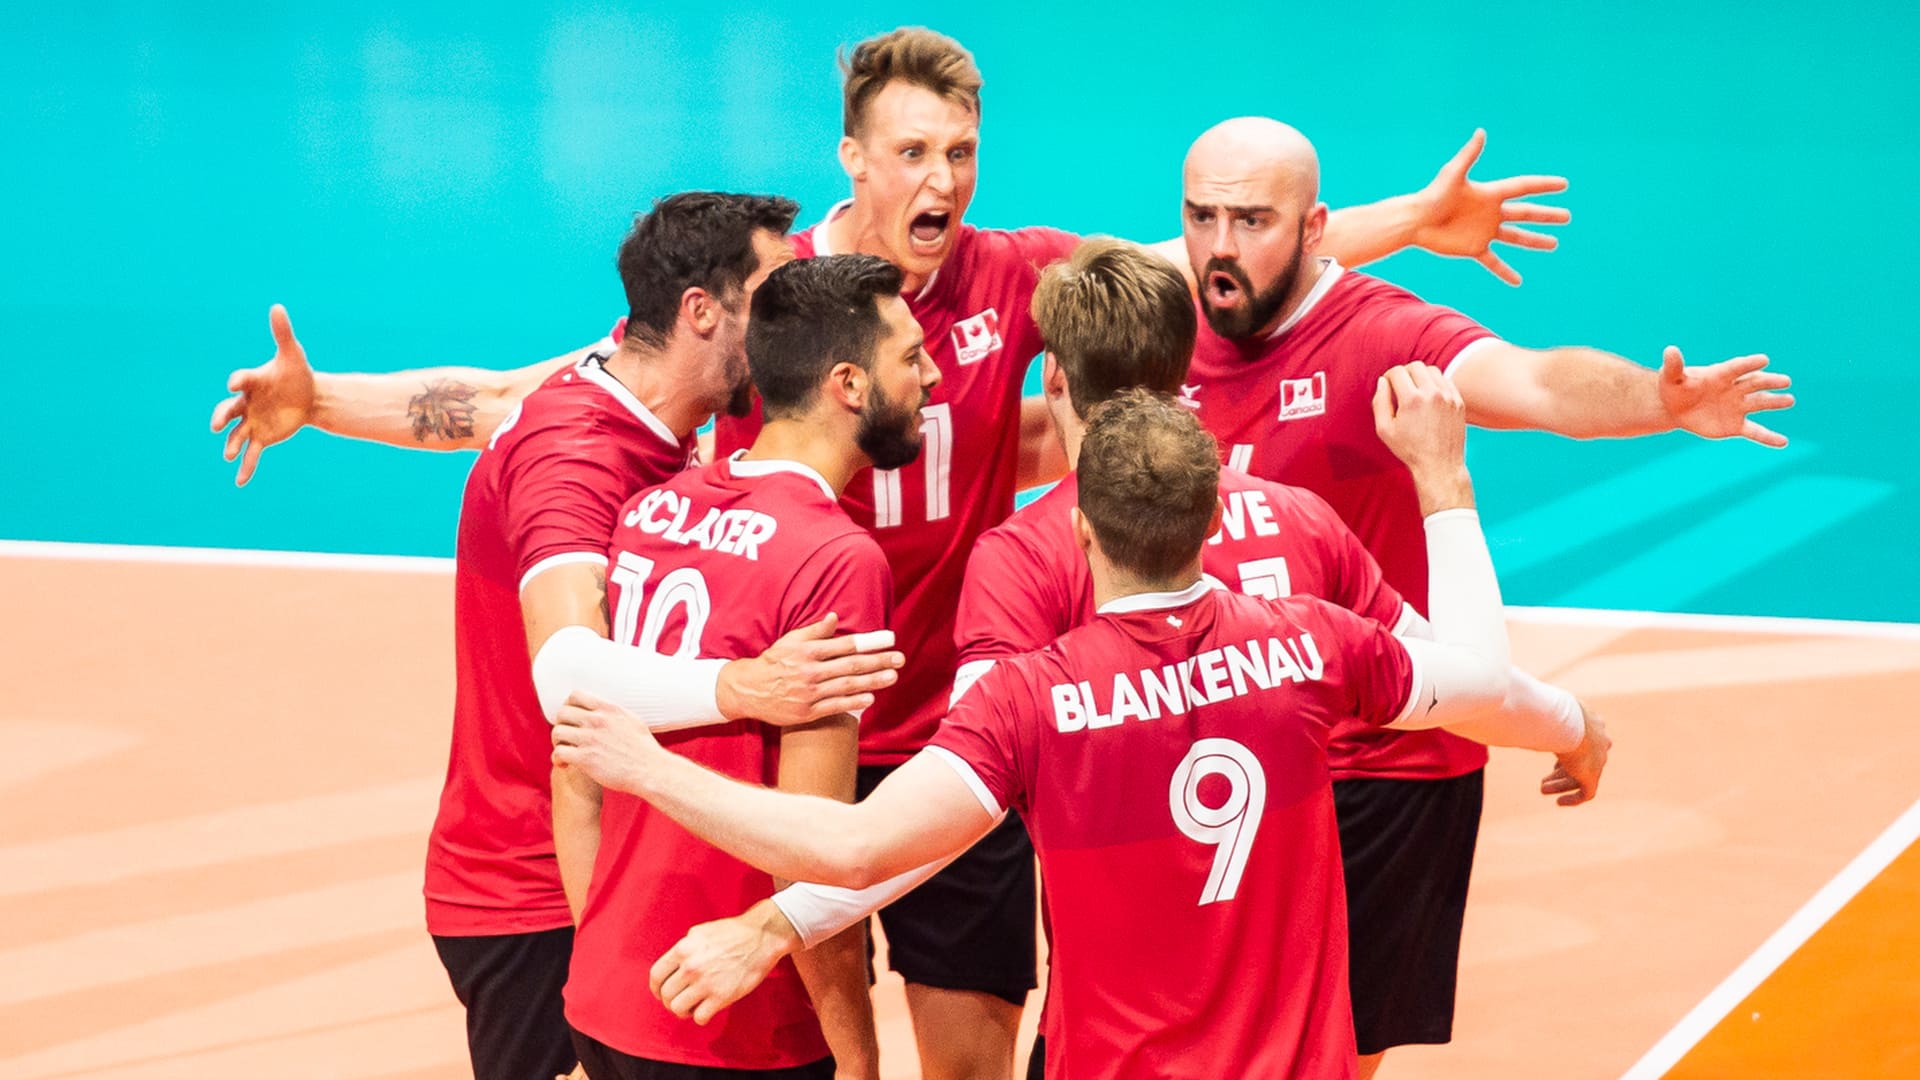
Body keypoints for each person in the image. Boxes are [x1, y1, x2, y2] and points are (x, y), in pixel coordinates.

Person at [210, 31, 1569, 1077]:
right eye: (915, 153)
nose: (944, 181)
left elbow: (1182, 264)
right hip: (787, 718)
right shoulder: (777, 309)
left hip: (949, 724)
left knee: (966, 1047)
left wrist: (1401, 220)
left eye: (962, 153)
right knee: (793, 1023)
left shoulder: (1005, 271)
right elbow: (524, 394)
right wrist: (322, 400)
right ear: (854, 160)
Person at [639, 239, 1599, 1079]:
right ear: (1186, 377)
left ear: (1053, 379)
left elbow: (938, 816)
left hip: (1115, 1042)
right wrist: (1573, 725)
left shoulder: (1027, 564)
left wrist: (776, 921)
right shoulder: (1302, 546)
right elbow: (1480, 684)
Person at [1174, 116, 1792, 1078]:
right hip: (1212, 758)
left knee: (1327, 1058)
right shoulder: (1163, 330)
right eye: (1200, 217)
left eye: (1251, 220)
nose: (1220, 247)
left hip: (1378, 769)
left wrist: (1657, 404)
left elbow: (1538, 384)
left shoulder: (1379, 333)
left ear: (1315, 226)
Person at [425, 193, 903, 1080]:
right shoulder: (580, 454)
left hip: (613, 864)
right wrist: (742, 687)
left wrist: (317, 401)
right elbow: (567, 675)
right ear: (701, 313)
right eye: (770, 298)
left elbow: (486, 395)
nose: (783, 323)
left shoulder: (660, 402)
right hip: (531, 887)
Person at [559, 254, 940, 1080]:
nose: (932, 375)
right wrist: (857, 1059)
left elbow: (577, 771)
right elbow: (810, 851)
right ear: (848, 383)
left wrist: (607, 955)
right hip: (738, 1027)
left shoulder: (650, 509)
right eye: (910, 357)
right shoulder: (837, 559)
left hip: (607, 999)